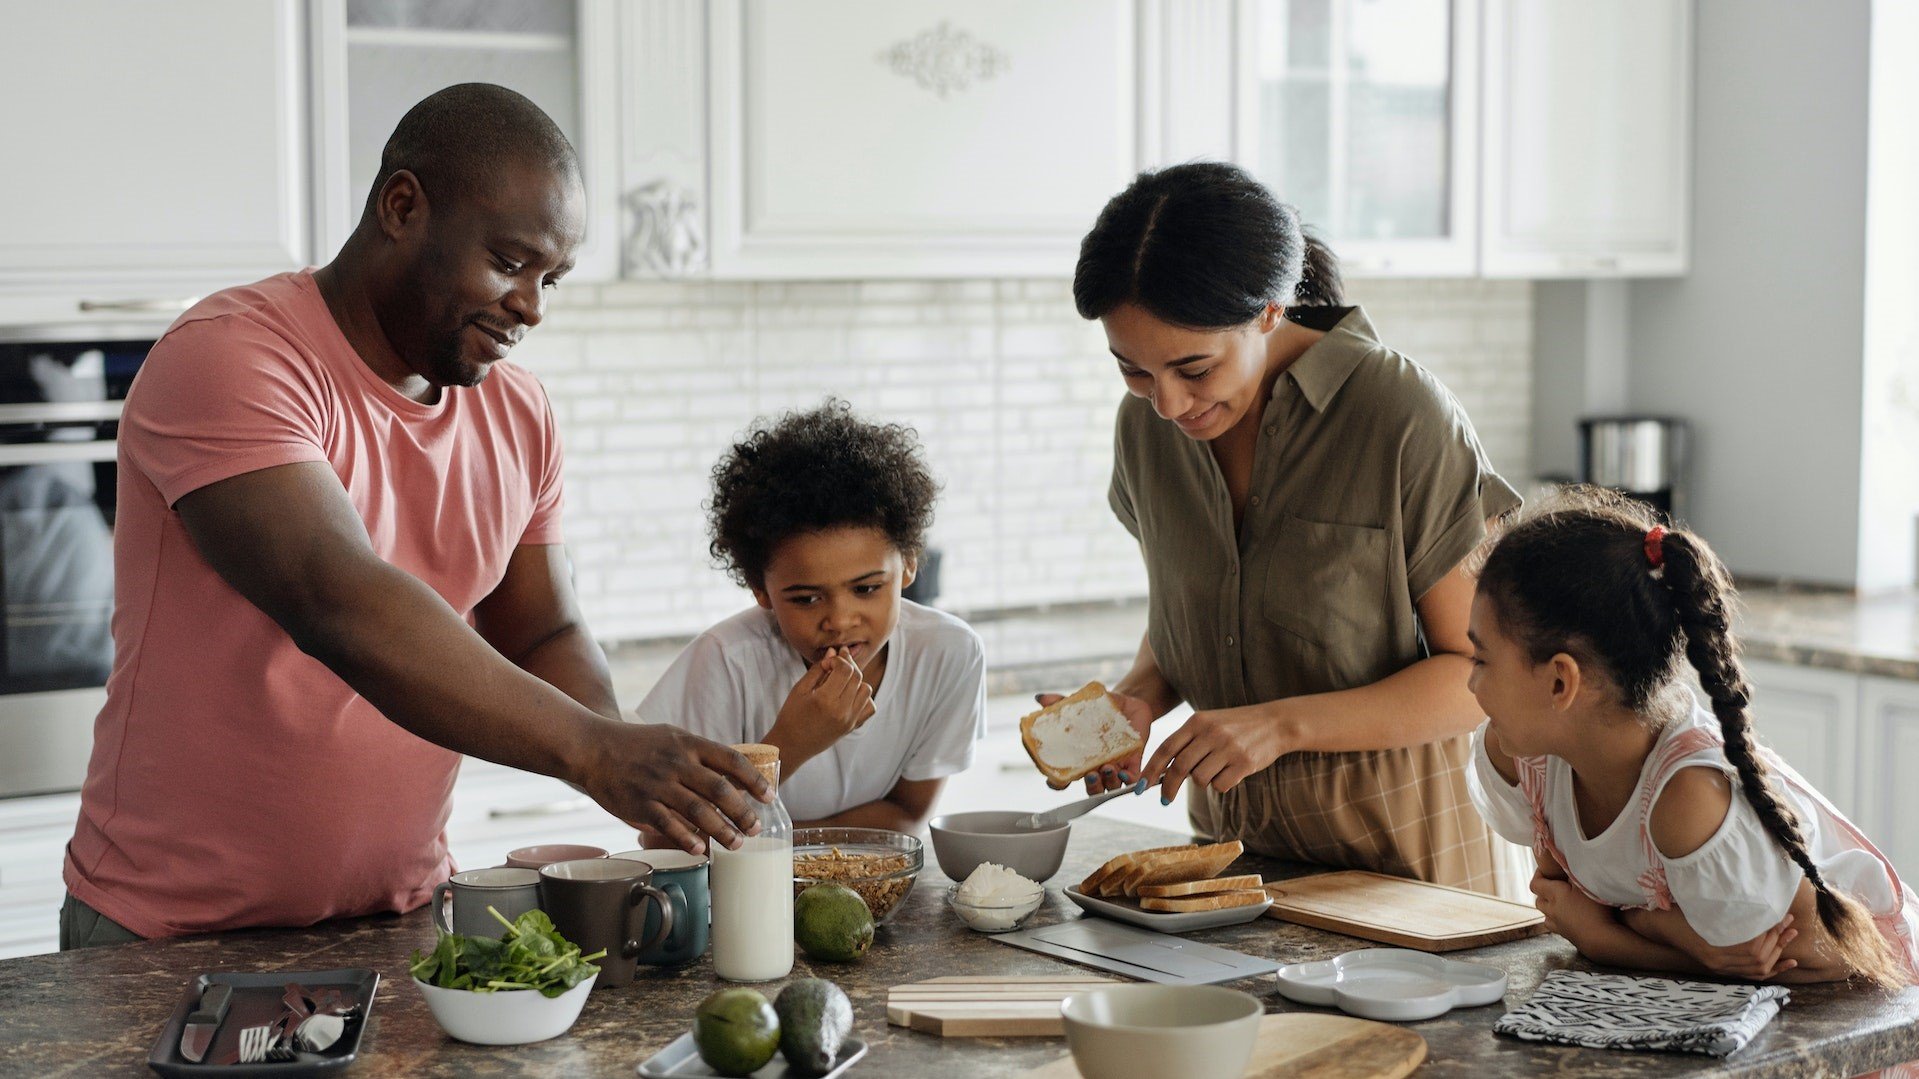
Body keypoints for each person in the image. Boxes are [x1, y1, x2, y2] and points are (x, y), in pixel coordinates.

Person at [59, 84, 769, 948]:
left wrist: (633, 769)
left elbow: (542, 628)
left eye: (552, 278)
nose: (532, 306)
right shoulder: (231, 356)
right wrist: (593, 750)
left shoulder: (518, 411)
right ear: (402, 206)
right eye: (510, 262)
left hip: (399, 917)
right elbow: (340, 601)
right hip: (171, 931)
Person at [1069, 161, 1521, 892]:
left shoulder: (1396, 413)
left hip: (1410, 872)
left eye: (1194, 368)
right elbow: (1203, 613)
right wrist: (1138, 699)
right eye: (1134, 372)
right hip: (1230, 868)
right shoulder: (1146, 432)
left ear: (1270, 311)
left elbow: (1479, 676)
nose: (1167, 404)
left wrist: (1278, 726)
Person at [1467, 487, 1916, 990]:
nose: (1470, 684)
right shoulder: (1528, 757)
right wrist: (1672, 936)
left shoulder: (1688, 799)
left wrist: (1620, 936)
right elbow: (1565, 905)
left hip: (1878, 1002)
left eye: (1481, 660)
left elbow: (1819, 956)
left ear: (1559, 683)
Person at [639, 399, 986, 830]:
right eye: (805, 598)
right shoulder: (726, 662)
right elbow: (665, 838)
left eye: (866, 589)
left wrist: (777, 844)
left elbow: (906, 815)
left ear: (910, 563)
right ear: (760, 589)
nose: (839, 620)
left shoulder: (949, 653)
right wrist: (791, 744)